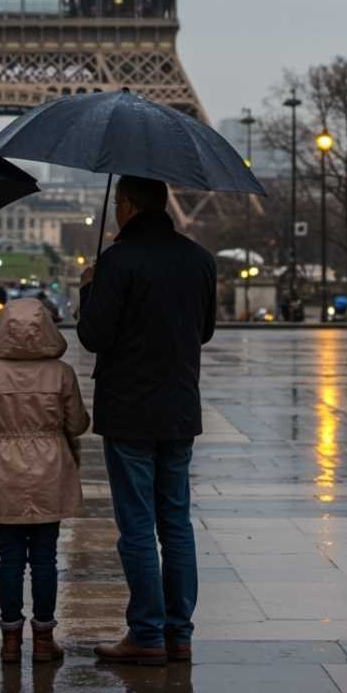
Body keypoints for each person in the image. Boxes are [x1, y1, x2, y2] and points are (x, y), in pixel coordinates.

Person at [76, 176, 216, 666]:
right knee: (175, 522)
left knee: (136, 525)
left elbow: (93, 336)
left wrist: (88, 289)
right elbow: (205, 330)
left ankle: (146, 634)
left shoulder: (118, 260)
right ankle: (180, 634)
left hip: (130, 412)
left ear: (128, 206)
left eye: (118, 204)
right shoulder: (199, 259)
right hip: (179, 408)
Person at [0, 298, 90, 664]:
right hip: (52, 471)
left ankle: (10, 640)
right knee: (46, 558)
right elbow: (77, 424)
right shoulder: (61, 373)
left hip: (3, 473)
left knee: (10, 560)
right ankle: (45, 638)